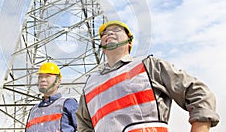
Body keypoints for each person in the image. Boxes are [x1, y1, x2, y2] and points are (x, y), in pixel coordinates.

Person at [76, 20, 219, 132]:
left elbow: (198, 92)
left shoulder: (149, 66)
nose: (109, 33)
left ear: (130, 42)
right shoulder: (90, 85)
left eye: (116, 30)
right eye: (104, 33)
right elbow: (84, 127)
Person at [25, 62, 78, 132]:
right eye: (40, 76)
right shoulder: (33, 111)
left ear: (58, 81)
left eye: (47, 76)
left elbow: (84, 128)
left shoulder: (68, 104)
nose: (43, 79)